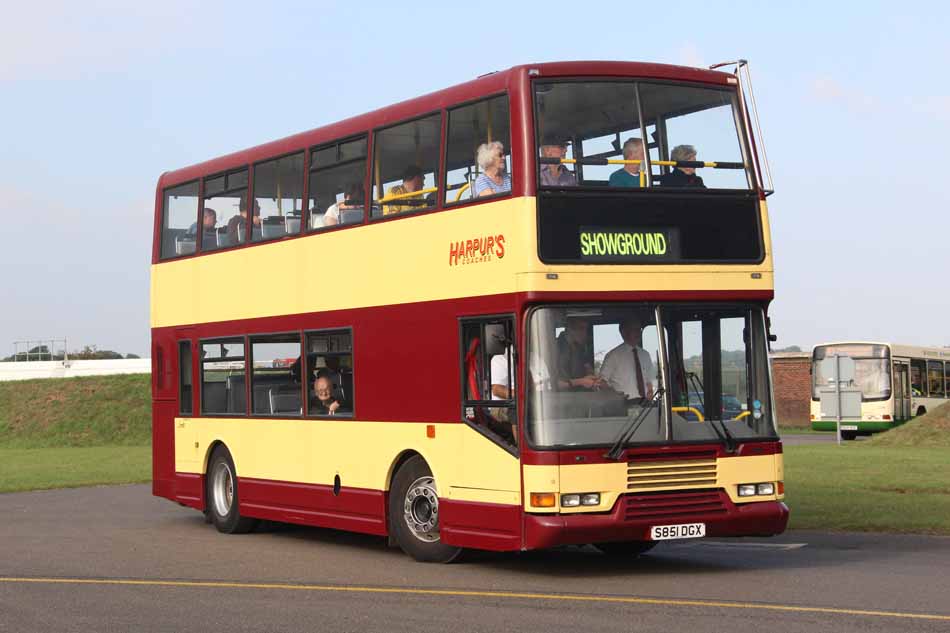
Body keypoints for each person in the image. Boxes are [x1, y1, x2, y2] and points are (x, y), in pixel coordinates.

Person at [599, 316, 657, 400]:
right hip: (623, 406)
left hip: (645, 406)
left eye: (639, 330)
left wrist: (650, 392)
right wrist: (615, 395)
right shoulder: (613, 356)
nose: (638, 333)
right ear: (624, 332)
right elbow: (601, 382)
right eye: (635, 330)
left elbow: (649, 380)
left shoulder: (645, 355)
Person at [556, 317, 604, 390]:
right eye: (581, 328)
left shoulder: (580, 348)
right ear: (569, 329)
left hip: (578, 396)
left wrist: (592, 377)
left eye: (586, 329)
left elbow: (587, 366)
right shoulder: (554, 348)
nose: (585, 333)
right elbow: (554, 384)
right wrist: (581, 382)